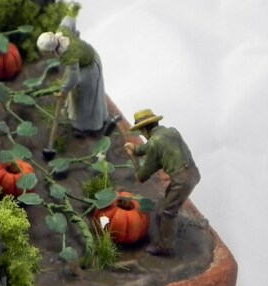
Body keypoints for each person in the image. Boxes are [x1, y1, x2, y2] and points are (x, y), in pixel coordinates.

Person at [123, 109, 201, 257]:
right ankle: (164, 218)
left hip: (182, 180)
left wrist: (135, 160)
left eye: (141, 131)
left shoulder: (154, 142)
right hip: (193, 172)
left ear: (144, 129)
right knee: (169, 195)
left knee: (168, 212)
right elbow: (152, 147)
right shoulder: (171, 132)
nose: (142, 135)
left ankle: (165, 246)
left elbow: (143, 174)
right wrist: (136, 149)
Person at [36, 16, 111, 136]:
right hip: (81, 61)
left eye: (45, 52)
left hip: (89, 67)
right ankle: (73, 115)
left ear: (51, 50)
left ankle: (86, 127)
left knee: (83, 98)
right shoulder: (62, 31)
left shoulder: (68, 54)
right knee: (74, 93)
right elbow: (68, 19)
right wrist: (75, 35)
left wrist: (64, 91)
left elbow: (74, 78)